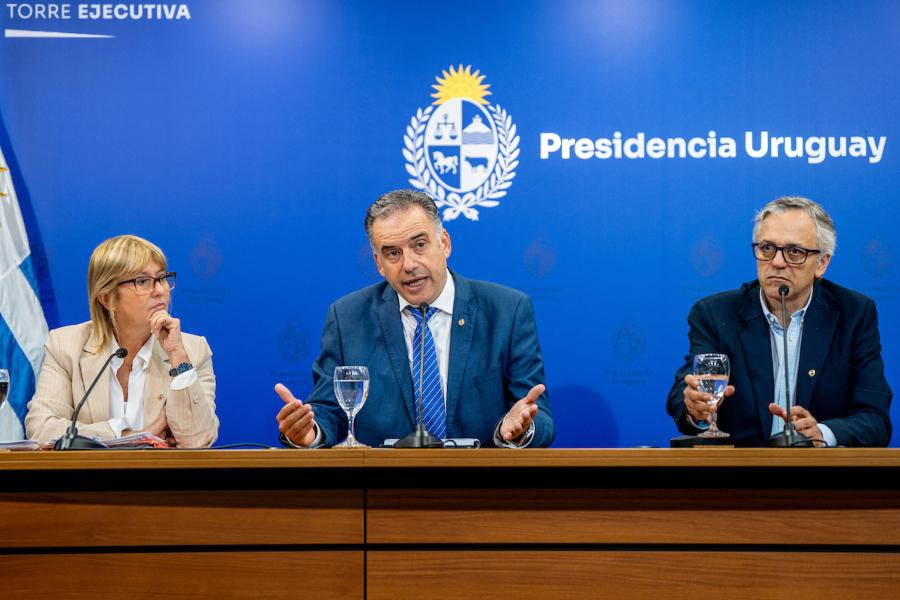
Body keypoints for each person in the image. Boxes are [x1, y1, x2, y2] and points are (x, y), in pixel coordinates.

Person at [276, 189, 554, 448]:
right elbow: (328, 411)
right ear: (378, 264)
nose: (409, 265)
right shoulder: (347, 318)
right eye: (392, 253)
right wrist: (310, 434)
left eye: (419, 245)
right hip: (381, 489)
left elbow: (537, 414)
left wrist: (520, 428)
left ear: (444, 243)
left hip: (481, 488)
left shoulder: (507, 311)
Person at [667, 196, 892, 447]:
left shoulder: (854, 314)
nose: (776, 262)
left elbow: (876, 420)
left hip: (819, 477)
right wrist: (694, 407)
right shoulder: (716, 314)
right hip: (736, 477)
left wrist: (822, 433)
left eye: (794, 252)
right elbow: (682, 395)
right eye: (767, 248)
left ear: (822, 263)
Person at [26, 235, 218, 447]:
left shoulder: (193, 350)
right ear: (107, 298)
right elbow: (41, 429)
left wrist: (177, 356)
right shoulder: (66, 346)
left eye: (162, 278)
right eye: (143, 281)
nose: (161, 290)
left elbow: (198, 441)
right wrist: (129, 435)